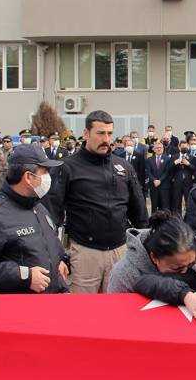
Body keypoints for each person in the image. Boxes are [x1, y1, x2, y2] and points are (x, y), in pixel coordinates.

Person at [47, 110, 148, 294]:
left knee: (118, 313)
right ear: (86, 134)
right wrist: (57, 256)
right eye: (100, 133)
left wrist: (144, 251)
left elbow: (139, 212)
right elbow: (52, 214)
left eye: (110, 133)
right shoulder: (68, 167)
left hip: (120, 253)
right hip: (84, 254)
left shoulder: (124, 167)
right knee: (82, 315)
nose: (106, 139)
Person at [0, 144, 70, 311]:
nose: (48, 177)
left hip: (47, 306)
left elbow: (50, 245)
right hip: (14, 312)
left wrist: (61, 264)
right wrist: (24, 276)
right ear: (28, 177)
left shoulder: (39, 207)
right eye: (44, 172)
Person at [107, 211, 196, 325]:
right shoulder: (124, 273)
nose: (185, 271)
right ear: (154, 257)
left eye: (191, 265)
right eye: (177, 268)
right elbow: (116, 315)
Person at [146, 141, 175, 213]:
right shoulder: (149, 160)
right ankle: (154, 223)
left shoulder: (168, 159)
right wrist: (154, 180)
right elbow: (148, 172)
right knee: (154, 207)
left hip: (164, 186)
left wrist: (160, 180)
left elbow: (167, 171)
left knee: (165, 207)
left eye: (160, 148)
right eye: (157, 148)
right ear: (154, 149)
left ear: (163, 149)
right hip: (154, 186)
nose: (159, 149)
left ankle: (166, 223)